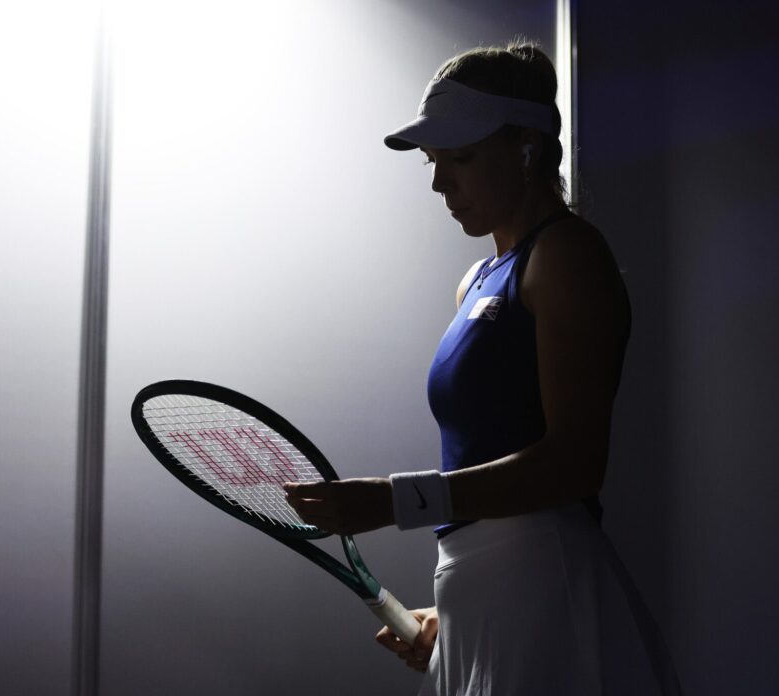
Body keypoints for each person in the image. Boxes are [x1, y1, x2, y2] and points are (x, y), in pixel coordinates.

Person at [284, 40, 675, 695]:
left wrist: (394, 499)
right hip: (481, 591)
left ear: (526, 148)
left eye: (461, 158)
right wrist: (460, 607)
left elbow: (576, 464)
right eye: (436, 163)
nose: (440, 183)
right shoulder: (474, 283)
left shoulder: (568, 254)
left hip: (543, 587)